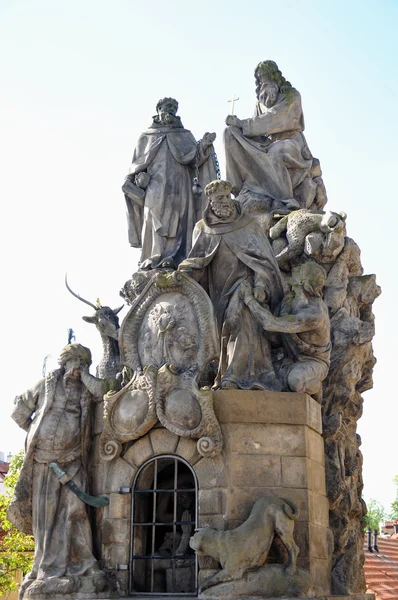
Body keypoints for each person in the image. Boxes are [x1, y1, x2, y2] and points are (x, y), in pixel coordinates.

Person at [8, 344, 108, 598]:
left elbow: (104, 391)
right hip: (44, 462)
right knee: (46, 518)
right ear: (63, 363)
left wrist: (85, 375)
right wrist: (37, 433)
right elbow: (18, 414)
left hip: (73, 460)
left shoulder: (86, 389)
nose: (77, 366)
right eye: (74, 361)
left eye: (83, 362)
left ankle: (82, 565)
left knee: (76, 512)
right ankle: (46, 569)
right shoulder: (45, 385)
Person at [179, 180, 284, 390]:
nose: (225, 201)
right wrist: (183, 275)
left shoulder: (248, 225)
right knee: (221, 331)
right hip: (216, 293)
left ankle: (237, 376)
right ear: (211, 201)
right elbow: (197, 261)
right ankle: (224, 374)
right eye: (220, 198)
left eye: (227, 196)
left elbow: (263, 262)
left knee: (240, 318)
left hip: (245, 287)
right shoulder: (203, 229)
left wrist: (260, 286)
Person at [123, 97, 217, 270]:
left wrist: (204, 145)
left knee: (179, 219)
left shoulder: (184, 135)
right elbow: (136, 167)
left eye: (174, 107)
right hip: (155, 185)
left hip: (180, 185)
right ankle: (153, 257)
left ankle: (175, 258)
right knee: (153, 215)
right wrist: (138, 179)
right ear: (158, 108)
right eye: (168, 106)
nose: (171, 110)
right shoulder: (145, 137)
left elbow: (195, 160)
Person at [224, 60, 314, 205]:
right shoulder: (259, 103)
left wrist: (243, 124)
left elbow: (276, 117)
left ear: (275, 76)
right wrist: (238, 129)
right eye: (260, 79)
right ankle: (236, 188)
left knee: (275, 151)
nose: (263, 82)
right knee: (229, 133)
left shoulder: (291, 95)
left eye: (266, 76)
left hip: (291, 142)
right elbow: (255, 132)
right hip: (266, 143)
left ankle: (285, 198)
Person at [240, 261, 331, 396]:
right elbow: (274, 333)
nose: (296, 268)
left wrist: (249, 299)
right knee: (256, 373)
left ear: (302, 281)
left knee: (296, 381)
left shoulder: (314, 314)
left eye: (300, 269)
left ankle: (315, 388)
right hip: (289, 357)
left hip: (314, 361)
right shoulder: (290, 299)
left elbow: (270, 323)